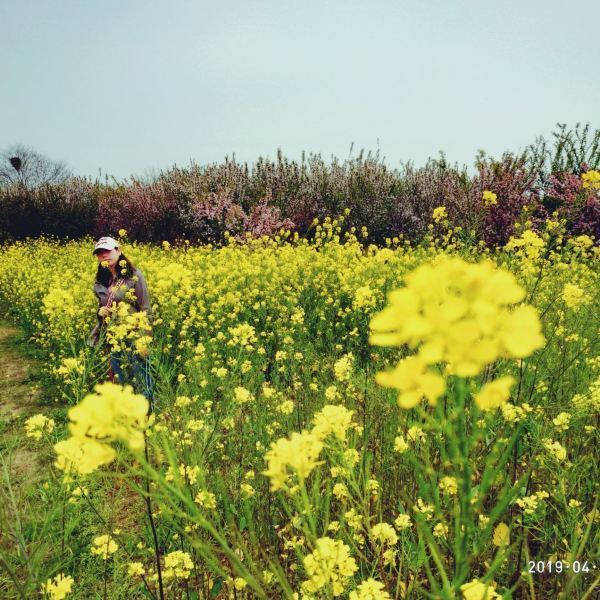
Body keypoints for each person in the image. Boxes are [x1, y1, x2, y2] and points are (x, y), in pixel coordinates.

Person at [90, 236, 155, 413]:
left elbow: (145, 308)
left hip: (134, 335)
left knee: (142, 378)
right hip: (113, 337)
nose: (104, 256)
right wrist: (100, 312)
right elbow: (102, 306)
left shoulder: (134, 276)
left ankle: (148, 416)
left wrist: (144, 339)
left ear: (118, 251)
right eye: (100, 254)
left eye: (107, 251)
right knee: (121, 379)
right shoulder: (100, 281)